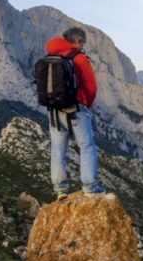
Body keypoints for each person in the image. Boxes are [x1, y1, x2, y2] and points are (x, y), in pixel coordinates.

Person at [45, 27, 105, 200]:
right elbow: (91, 86)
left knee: (57, 149)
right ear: (77, 41)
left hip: (54, 110)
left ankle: (60, 190)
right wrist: (87, 103)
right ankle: (89, 187)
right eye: (82, 42)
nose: (82, 46)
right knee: (86, 146)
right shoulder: (78, 58)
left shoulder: (50, 57)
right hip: (76, 108)